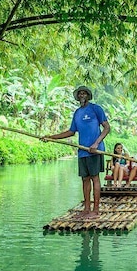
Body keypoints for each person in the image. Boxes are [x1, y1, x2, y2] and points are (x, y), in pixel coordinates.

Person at [41, 85, 110, 219]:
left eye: (84, 93)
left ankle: (95, 210)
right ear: (77, 97)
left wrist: (96, 143)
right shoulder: (77, 113)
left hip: (95, 150)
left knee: (94, 178)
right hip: (83, 151)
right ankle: (86, 209)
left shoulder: (96, 109)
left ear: (88, 96)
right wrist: (51, 137)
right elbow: (71, 132)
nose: (82, 95)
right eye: (80, 94)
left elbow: (107, 128)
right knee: (85, 179)